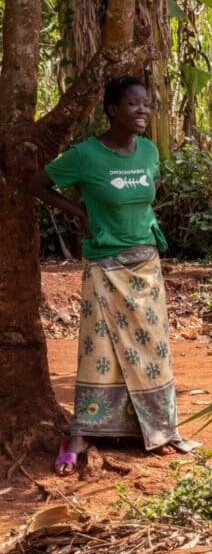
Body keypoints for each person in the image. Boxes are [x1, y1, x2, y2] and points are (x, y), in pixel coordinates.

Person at [29, 76, 197, 476]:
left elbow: (153, 183)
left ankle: (156, 428)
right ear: (112, 111)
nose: (143, 111)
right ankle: (83, 433)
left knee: (153, 350)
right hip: (105, 266)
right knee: (99, 349)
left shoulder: (150, 151)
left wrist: (140, 216)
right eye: (134, 105)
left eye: (147, 104)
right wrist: (83, 215)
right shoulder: (86, 156)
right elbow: (38, 184)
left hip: (146, 265)